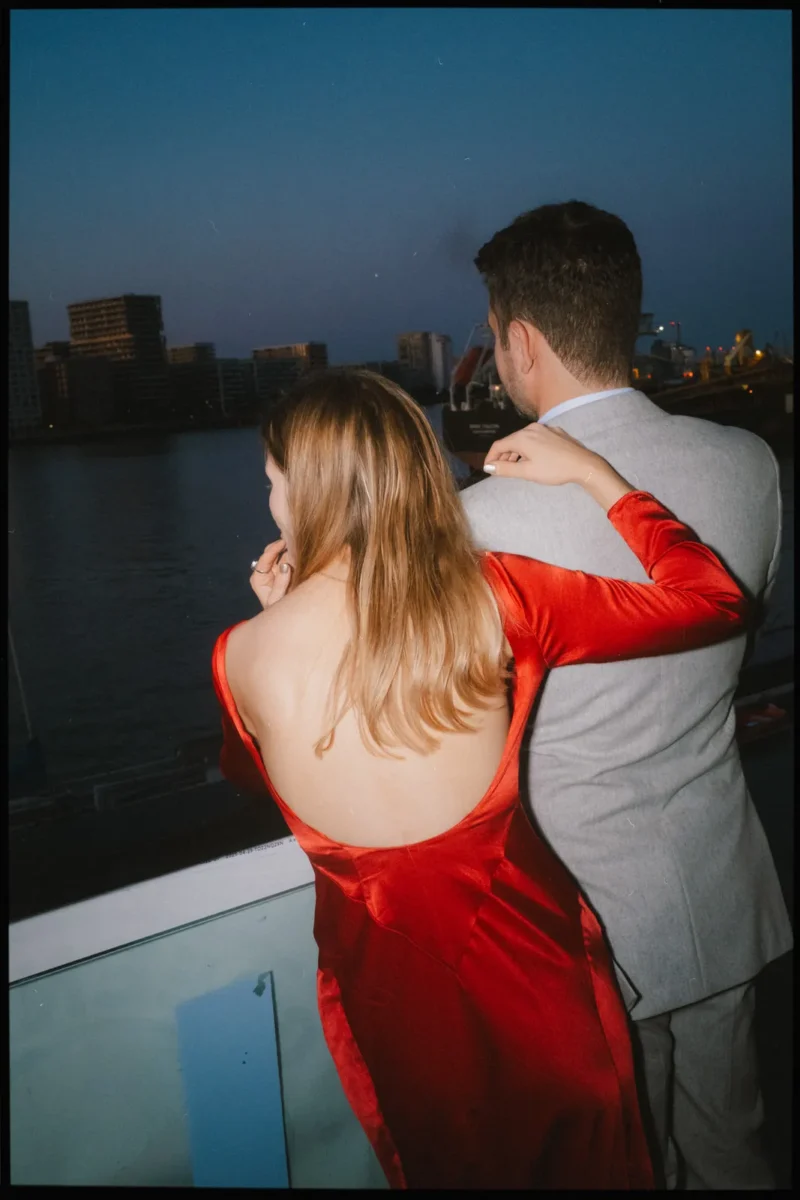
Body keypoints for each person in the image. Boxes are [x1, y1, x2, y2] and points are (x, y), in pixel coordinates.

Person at [212, 368, 751, 1190]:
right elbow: (712, 598)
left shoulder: (241, 655)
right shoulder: (496, 596)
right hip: (536, 970)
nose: (272, 502)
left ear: (312, 491)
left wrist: (271, 619)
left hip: (393, 1002)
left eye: (273, 482)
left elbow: (252, 775)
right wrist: (595, 475)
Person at [461, 200, 792, 1189]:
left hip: (586, 924)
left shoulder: (476, 519)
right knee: (735, 1152)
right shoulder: (750, 465)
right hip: (720, 879)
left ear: (518, 340)